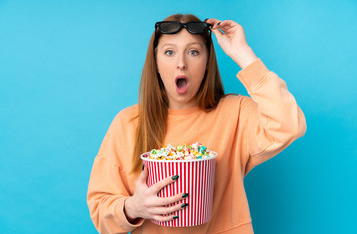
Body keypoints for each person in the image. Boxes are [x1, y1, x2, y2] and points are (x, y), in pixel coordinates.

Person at [87, 13, 307, 234]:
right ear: (155, 63)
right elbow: (100, 213)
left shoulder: (235, 113)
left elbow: (290, 125)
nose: (181, 64)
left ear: (206, 62)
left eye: (193, 52)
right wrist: (133, 207)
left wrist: (243, 54)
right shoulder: (129, 123)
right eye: (169, 52)